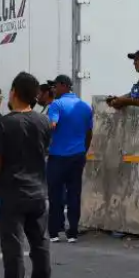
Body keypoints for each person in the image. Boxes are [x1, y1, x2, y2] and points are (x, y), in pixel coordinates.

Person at [0, 71, 52, 278]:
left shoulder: (3, 123)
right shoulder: (44, 122)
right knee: (40, 244)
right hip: (39, 193)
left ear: (13, 92)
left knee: (13, 246)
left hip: (13, 193)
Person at [46, 75, 93, 243]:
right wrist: (83, 150)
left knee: (55, 194)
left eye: (55, 86)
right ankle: (72, 232)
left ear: (63, 85)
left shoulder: (56, 105)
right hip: (77, 156)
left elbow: (52, 125)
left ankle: (54, 232)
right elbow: (89, 133)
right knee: (74, 194)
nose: (53, 90)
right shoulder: (85, 107)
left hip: (58, 156)